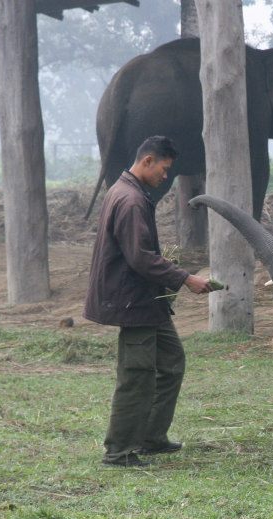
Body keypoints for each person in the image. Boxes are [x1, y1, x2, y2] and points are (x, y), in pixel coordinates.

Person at [84, 135, 214, 467]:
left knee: (171, 362)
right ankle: (120, 449)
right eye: (164, 169)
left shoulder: (128, 192)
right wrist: (185, 279)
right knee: (137, 374)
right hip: (133, 303)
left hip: (147, 301)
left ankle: (151, 437)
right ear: (147, 161)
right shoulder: (129, 200)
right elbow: (140, 257)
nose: (165, 177)